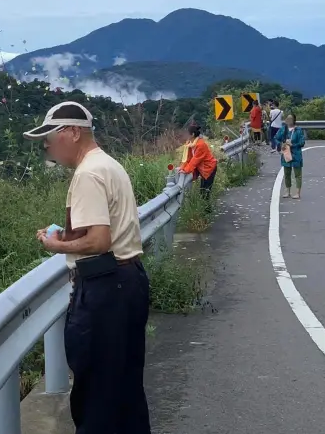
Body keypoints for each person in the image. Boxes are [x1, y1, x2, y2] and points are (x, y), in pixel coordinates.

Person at [24, 101, 151, 434]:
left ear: (73, 132)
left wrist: (56, 245)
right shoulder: (108, 165)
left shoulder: (87, 175)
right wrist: (66, 235)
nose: (47, 145)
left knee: (95, 397)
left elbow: (98, 241)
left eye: (50, 137)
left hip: (104, 289)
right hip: (129, 280)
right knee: (125, 391)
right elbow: (103, 229)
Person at [179, 124, 218, 210]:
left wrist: (186, 170)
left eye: (187, 133)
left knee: (205, 191)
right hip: (202, 169)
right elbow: (187, 158)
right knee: (203, 191)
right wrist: (182, 168)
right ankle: (205, 209)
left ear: (192, 134)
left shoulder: (201, 145)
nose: (186, 135)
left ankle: (207, 210)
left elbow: (195, 160)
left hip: (209, 168)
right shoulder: (189, 144)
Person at [275, 113, 306, 199]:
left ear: (294, 120)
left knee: (297, 174)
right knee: (287, 173)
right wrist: (281, 144)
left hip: (296, 154)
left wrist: (293, 144)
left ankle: (297, 192)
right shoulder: (283, 129)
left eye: (290, 118)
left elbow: (302, 142)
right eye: (287, 118)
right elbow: (276, 138)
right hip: (286, 153)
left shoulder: (298, 130)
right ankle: (287, 191)